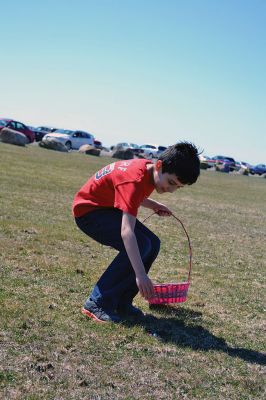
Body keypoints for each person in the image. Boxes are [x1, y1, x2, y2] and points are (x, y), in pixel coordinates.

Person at [72, 142, 200, 323]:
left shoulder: (146, 170)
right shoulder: (134, 179)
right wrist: (141, 275)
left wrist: (153, 204)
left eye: (177, 187)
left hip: (106, 209)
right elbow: (127, 232)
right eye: (171, 182)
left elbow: (129, 193)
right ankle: (97, 302)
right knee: (140, 244)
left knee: (153, 243)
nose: (171, 190)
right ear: (159, 166)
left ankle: (122, 301)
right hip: (89, 213)